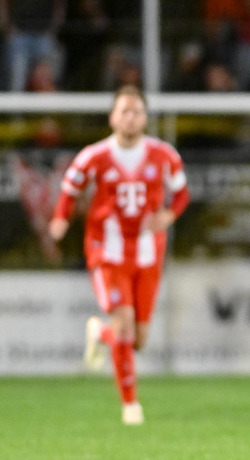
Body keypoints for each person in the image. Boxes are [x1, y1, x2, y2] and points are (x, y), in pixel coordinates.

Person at [48, 86, 190, 425]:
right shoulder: (93, 156)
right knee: (125, 325)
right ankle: (131, 405)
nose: (130, 117)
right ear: (113, 117)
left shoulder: (164, 155)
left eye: (137, 111)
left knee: (138, 340)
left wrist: (168, 216)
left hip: (147, 254)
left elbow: (182, 195)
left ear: (145, 117)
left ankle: (100, 333)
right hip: (107, 251)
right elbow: (70, 191)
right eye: (124, 111)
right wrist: (59, 220)